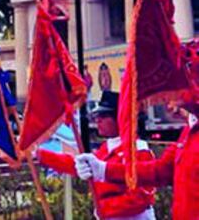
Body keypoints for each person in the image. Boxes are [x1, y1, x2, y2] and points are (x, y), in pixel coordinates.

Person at [76, 40, 199, 220]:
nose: (171, 87)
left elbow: (140, 198)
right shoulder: (189, 130)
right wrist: (103, 169)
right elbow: (160, 171)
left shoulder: (140, 147)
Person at [37, 91, 156, 219]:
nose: (98, 120)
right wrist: (40, 155)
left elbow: (140, 198)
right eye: (97, 116)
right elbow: (77, 165)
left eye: (104, 116)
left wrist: (103, 208)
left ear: (120, 118)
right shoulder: (107, 148)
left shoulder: (138, 151)